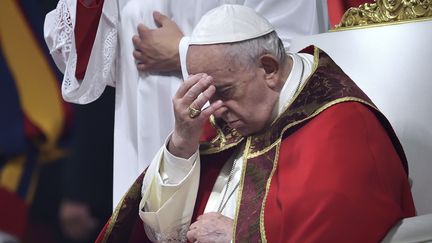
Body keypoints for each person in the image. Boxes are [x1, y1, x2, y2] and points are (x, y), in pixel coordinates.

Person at [96, 4, 416, 242]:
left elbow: (337, 232)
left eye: (222, 91)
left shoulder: (340, 126)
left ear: (269, 68)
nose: (215, 109)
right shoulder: (237, 108)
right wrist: (181, 145)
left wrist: (239, 237)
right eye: (206, 93)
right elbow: (159, 232)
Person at [43, 0, 328, 208]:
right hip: (140, 143)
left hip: (234, 147)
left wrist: (184, 53)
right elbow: (79, 63)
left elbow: (289, 53)